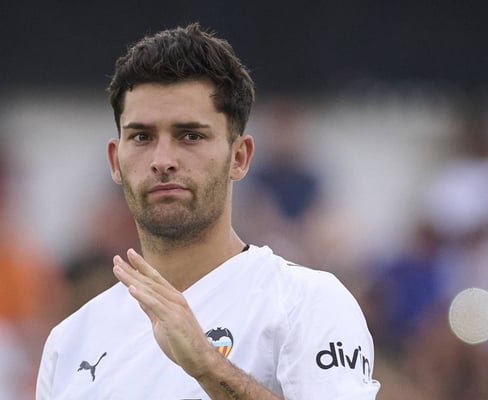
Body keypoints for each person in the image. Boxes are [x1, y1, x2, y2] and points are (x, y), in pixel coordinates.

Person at [36, 23, 381, 399]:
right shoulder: (68, 344)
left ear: (239, 157)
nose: (162, 160)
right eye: (142, 137)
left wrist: (208, 366)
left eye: (190, 136)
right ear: (115, 161)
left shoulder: (306, 303)